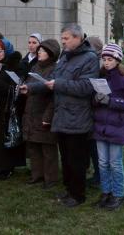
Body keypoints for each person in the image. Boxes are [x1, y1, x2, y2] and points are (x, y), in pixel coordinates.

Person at [44, 23, 99, 207]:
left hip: (78, 118)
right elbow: (53, 79)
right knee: (66, 158)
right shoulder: (65, 56)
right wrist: (31, 87)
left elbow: (86, 87)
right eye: (63, 39)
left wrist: (58, 84)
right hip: (62, 116)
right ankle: (69, 190)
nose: (63, 42)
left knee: (77, 160)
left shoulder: (90, 58)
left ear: (77, 38)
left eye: (66, 38)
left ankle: (78, 195)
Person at [92, 43, 124, 210]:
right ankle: (106, 192)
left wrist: (110, 101)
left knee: (115, 163)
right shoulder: (100, 76)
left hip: (117, 126)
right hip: (100, 125)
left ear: (118, 60)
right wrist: (96, 99)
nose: (106, 62)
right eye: (104, 59)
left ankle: (118, 194)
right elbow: (92, 100)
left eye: (110, 59)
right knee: (103, 162)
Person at [20, 39, 61, 189]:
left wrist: (48, 117)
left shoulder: (55, 69)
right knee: (33, 147)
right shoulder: (36, 67)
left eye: (42, 50)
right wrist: (24, 89)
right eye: (39, 50)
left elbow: (50, 90)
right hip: (31, 111)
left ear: (51, 53)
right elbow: (31, 85)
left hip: (45, 112)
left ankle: (51, 179)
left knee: (48, 149)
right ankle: (37, 175)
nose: (39, 52)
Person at [0, 40, 26, 180]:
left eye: (0, 51)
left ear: (7, 51)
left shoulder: (14, 66)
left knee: (6, 137)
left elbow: (14, 89)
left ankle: (7, 166)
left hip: (6, 109)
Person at [85, 35, 104, 186]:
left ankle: (99, 175)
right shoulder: (92, 61)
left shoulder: (98, 64)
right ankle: (97, 174)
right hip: (89, 110)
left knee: (95, 147)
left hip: (95, 111)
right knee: (91, 147)